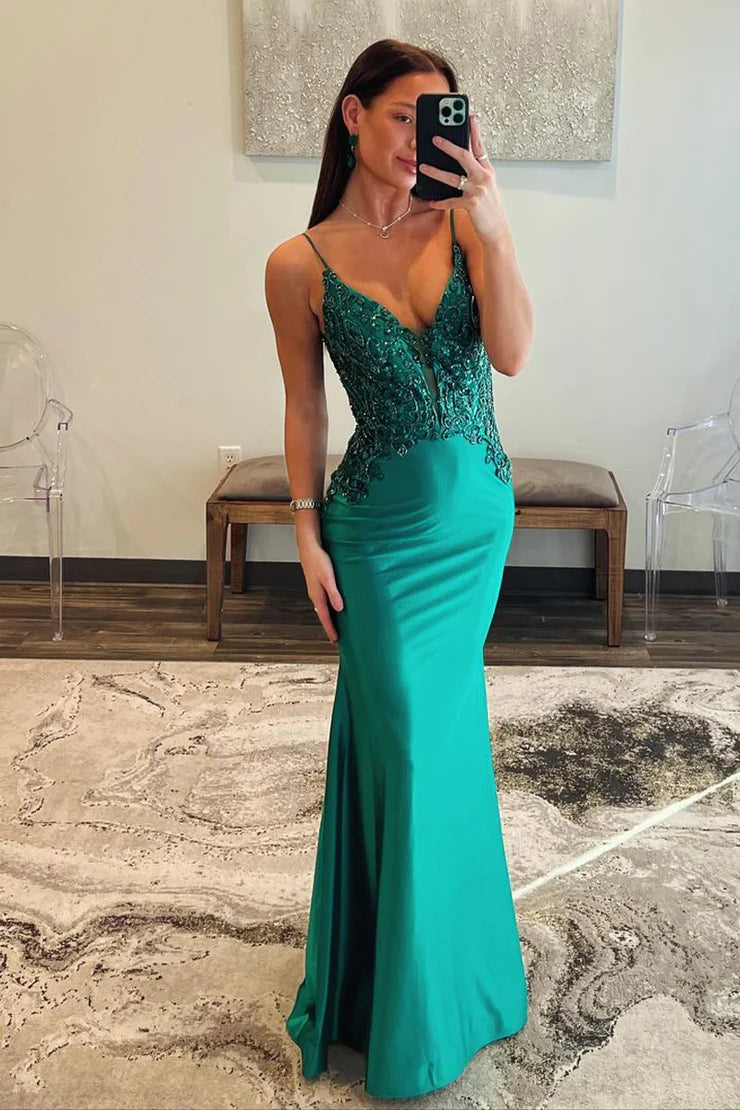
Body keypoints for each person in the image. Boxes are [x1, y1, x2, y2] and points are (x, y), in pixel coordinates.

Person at [264, 37, 533, 1101]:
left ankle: (454, 981)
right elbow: (303, 406)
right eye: (400, 117)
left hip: (476, 524)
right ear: (352, 115)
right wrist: (303, 534)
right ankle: (402, 1003)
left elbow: (510, 354)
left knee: (444, 740)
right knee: (411, 743)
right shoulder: (299, 263)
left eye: (437, 119)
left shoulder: (464, 222)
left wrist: (496, 226)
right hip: (374, 536)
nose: (420, 139)